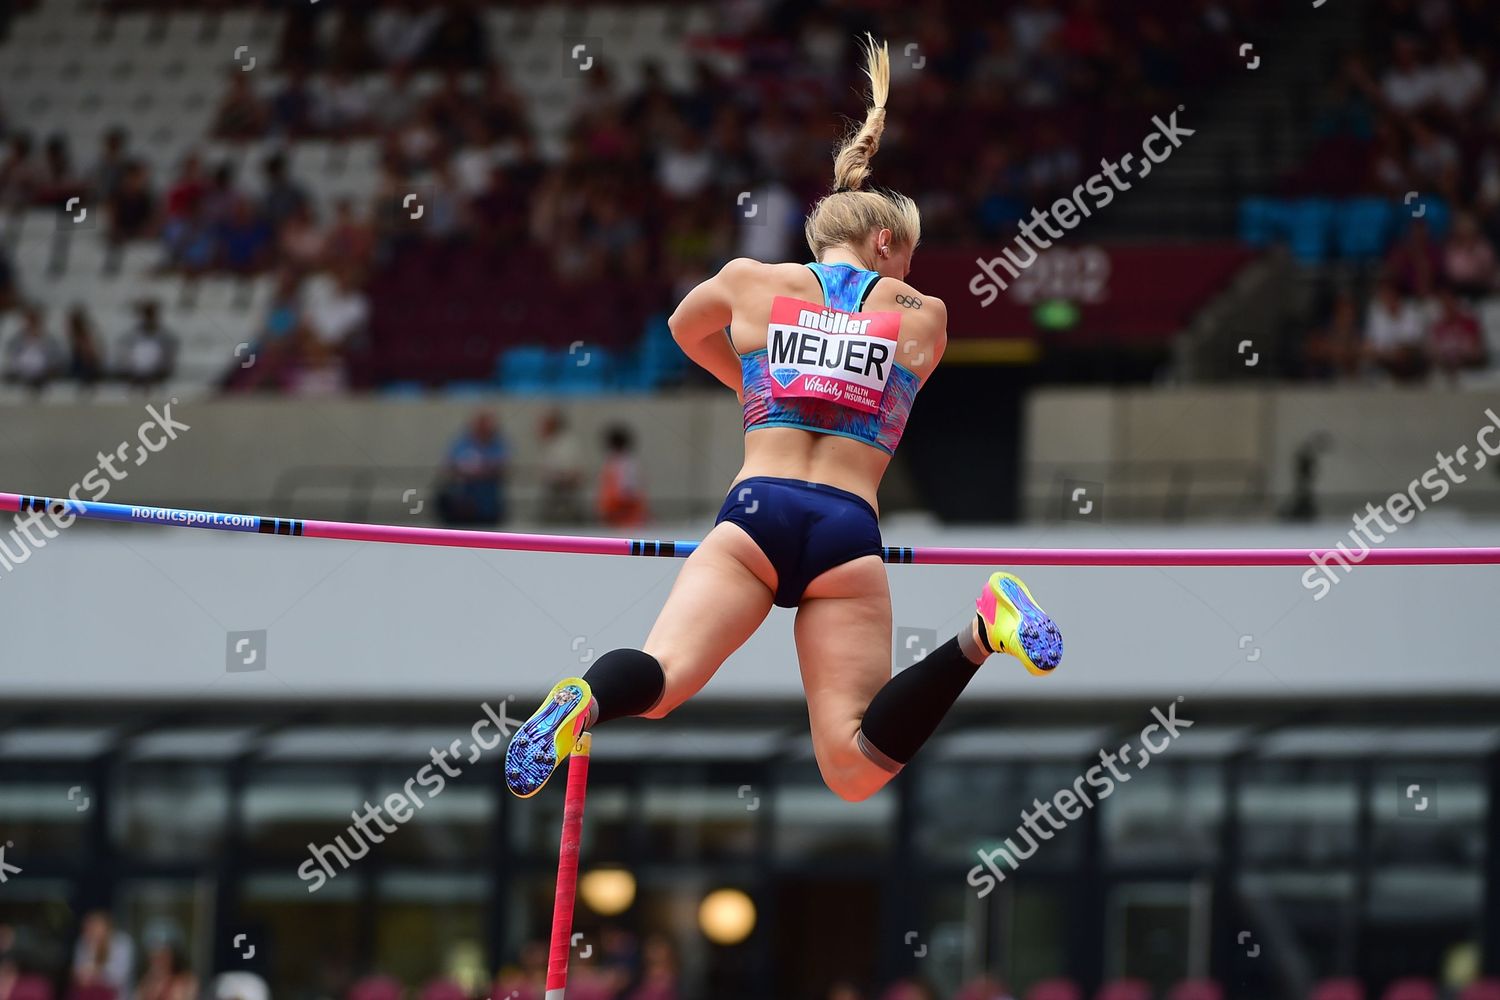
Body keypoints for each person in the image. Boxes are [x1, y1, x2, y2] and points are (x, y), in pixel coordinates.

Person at [505, 37, 1062, 806]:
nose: (910, 273)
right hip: (846, 529)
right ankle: (983, 630)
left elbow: (678, 329)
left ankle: (587, 699)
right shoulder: (921, 313)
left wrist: (750, 387)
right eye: (906, 257)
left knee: (661, 681)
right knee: (855, 765)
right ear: (885, 241)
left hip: (756, 513)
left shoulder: (748, 282)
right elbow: (889, 374)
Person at [437, 411, 509, 525]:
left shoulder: (497, 444)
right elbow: (450, 464)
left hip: (487, 491)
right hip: (464, 489)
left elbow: (501, 466)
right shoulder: (462, 443)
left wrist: (481, 471)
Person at [536, 408, 584, 525]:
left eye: (546, 424)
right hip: (553, 488)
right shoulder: (549, 443)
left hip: (566, 488)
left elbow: (573, 469)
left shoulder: (567, 442)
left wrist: (564, 478)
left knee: (567, 521)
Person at [70, 912, 133, 1000]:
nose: (91, 931)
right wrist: (92, 948)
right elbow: (79, 974)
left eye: (95, 927)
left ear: (106, 928)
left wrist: (95, 973)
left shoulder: (122, 943)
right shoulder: (83, 942)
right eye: (88, 928)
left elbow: (119, 977)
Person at [596, 425, 648, 528]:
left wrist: (618, 512)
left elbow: (629, 492)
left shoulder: (627, 463)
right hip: (612, 512)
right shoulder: (612, 460)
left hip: (624, 515)